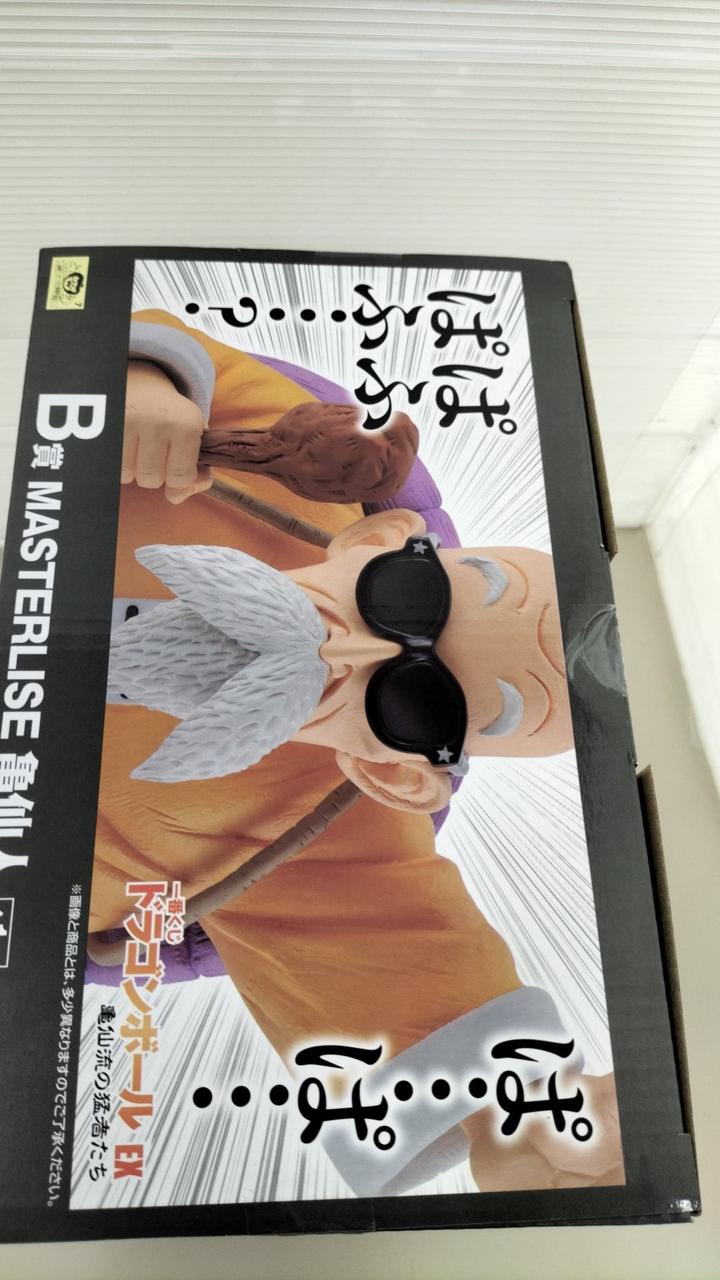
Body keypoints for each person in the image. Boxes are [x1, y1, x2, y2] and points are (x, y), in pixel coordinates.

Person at [91, 310, 623, 1195]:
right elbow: (117, 332)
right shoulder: (302, 474)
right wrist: (147, 386)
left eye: (421, 700)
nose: (347, 648)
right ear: (376, 540)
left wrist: (534, 1129)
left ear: (396, 771)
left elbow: (443, 1024)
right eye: (406, 599)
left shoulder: (327, 838)